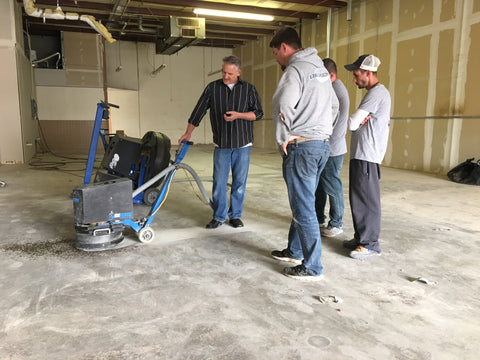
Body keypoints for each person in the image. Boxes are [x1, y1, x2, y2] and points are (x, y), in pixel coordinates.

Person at [269, 27, 339, 281]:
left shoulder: (295, 70)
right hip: (321, 145)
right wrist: (322, 130)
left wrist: (283, 138)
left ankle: (312, 267)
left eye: (276, 52)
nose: (276, 58)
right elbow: (334, 105)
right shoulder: (319, 69)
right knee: (304, 201)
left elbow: (282, 105)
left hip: (302, 147)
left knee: (304, 208)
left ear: (285, 48)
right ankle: (294, 250)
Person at [178, 55, 263, 229]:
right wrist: (188, 132)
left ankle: (235, 216)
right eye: (224, 72)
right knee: (219, 181)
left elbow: (258, 114)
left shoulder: (248, 89)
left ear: (238, 73)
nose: (225, 76)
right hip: (221, 144)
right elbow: (198, 111)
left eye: (230, 74)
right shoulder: (212, 88)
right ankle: (218, 216)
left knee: (239, 182)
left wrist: (239, 115)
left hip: (243, 144)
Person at [343, 54, 391, 259]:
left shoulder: (377, 93)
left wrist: (358, 121)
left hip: (368, 155)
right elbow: (357, 122)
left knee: (367, 199)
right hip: (362, 154)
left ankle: (371, 244)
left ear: (368, 73)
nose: (354, 80)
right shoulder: (374, 93)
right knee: (358, 197)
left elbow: (352, 123)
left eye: (356, 75)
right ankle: (361, 236)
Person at [315, 58, 349, 237]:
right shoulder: (333, 87)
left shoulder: (336, 90)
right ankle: (318, 217)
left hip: (332, 148)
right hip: (328, 146)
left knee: (331, 184)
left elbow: (330, 121)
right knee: (321, 185)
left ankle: (336, 222)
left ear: (331, 75)